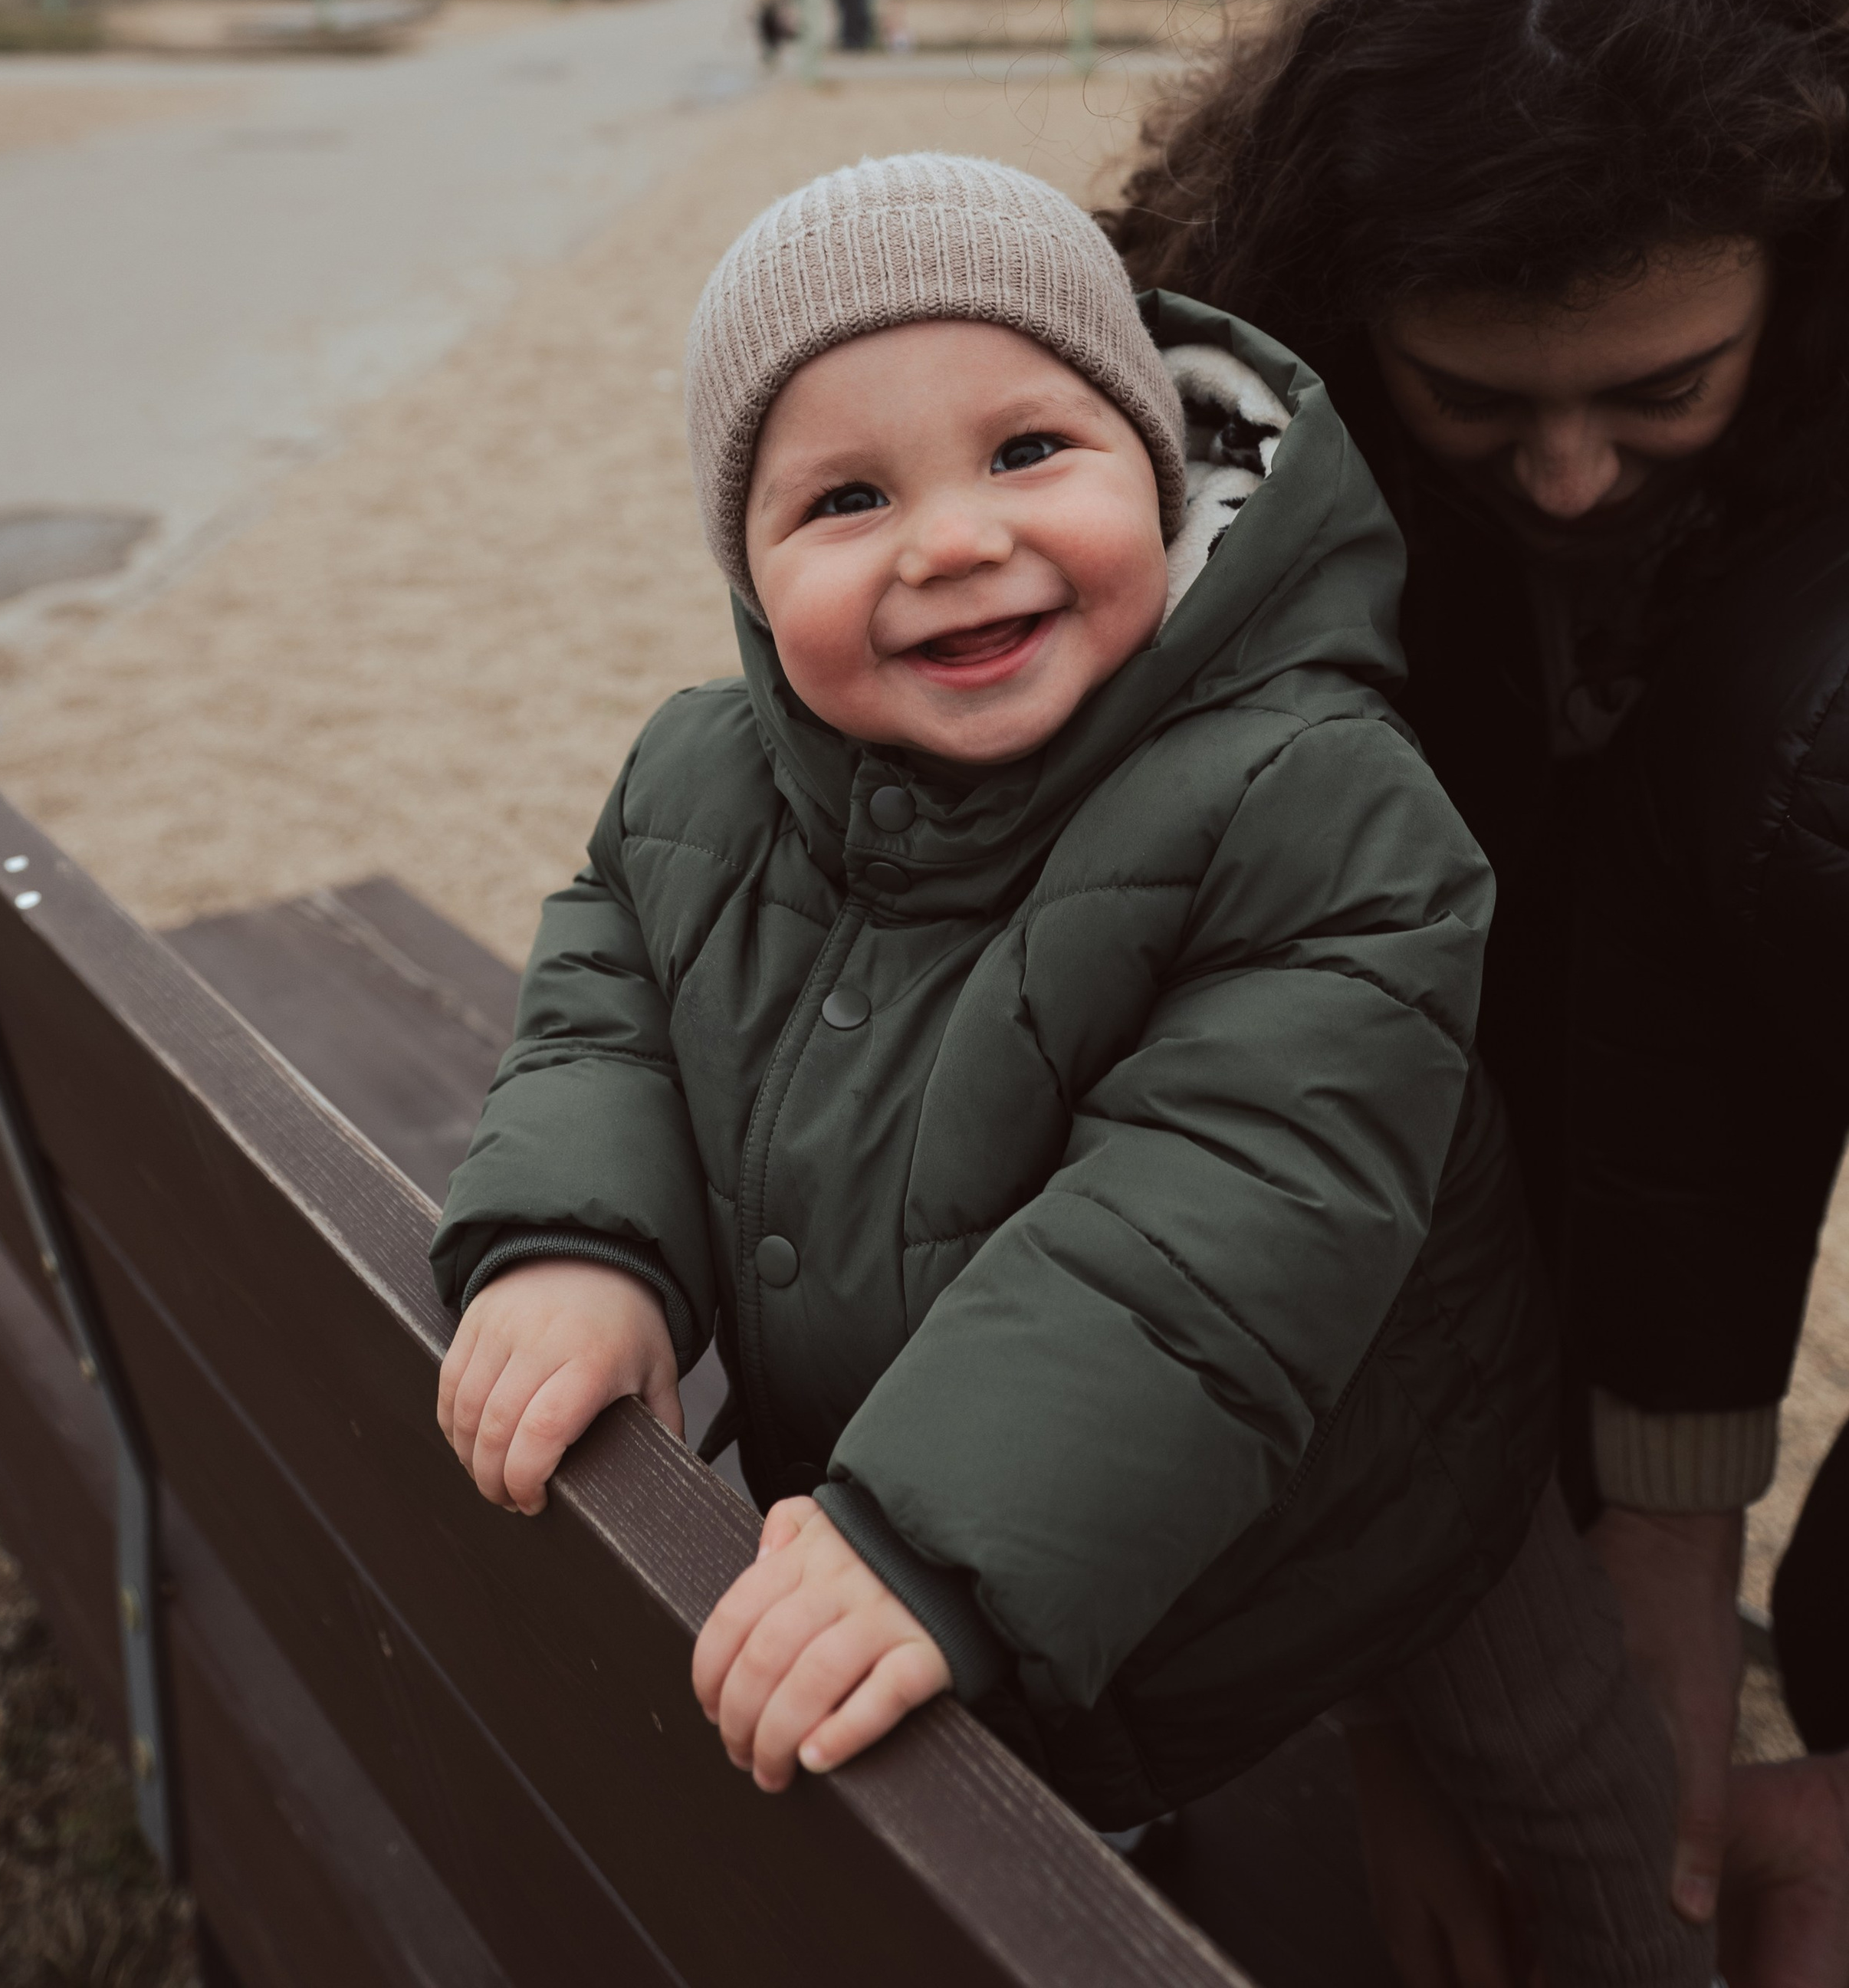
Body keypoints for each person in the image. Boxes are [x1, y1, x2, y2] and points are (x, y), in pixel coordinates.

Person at [430, 153, 1705, 1984]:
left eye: (1029, 450)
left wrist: (934, 1531)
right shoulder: (705, 779)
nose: (952, 540)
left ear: (1161, 464)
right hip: (980, 1498)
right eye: (845, 496)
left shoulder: (1315, 795)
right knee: (954, 1780)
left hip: (1379, 1474)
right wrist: (580, 1239)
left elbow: (1220, 1201)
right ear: (745, 563)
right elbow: (613, 989)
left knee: (1573, 1782)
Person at [1107, 0, 1849, 1984]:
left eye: (1660, 393)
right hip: (1560, 1057)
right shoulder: (1222, 479)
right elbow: (1321, 1087)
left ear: (1819, 273)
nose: (1570, 480)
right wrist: (1430, 1673)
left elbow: (1712, 1002)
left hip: (1841, 902)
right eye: (1477, 400)